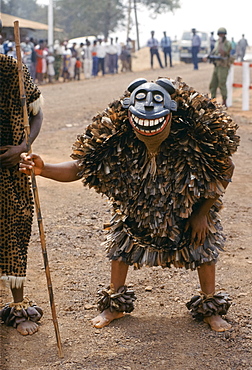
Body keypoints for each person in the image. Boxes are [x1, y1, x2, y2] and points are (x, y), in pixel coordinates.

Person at [20, 76, 239, 334]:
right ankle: (115, 305)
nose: (147, 120)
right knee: (120, 245)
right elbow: (80, 167)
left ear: (170, 114)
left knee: (204, 246)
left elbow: (226, 168)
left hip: (186, 211)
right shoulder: (116, 139)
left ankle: (210, 307)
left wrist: (201, 214)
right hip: (136, 212)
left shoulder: (191, 139)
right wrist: (44, 170)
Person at [0, 19, 44, 335]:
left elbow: (37, 112)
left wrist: (23, 146)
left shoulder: (13, 70)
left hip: (10, 173)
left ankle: (17, 306)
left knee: (15, 230)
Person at [209, 27, 232, 107]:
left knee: (222, 84)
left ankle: (224, 102)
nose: (221, 36)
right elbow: (215, 52)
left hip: (223, 66)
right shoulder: (217, 43)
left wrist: (221, 43)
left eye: (222, 34)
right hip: (217, 66)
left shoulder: (227, 43)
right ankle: (213, 101)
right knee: (213, 84)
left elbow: (223, 52)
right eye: (220, 34)